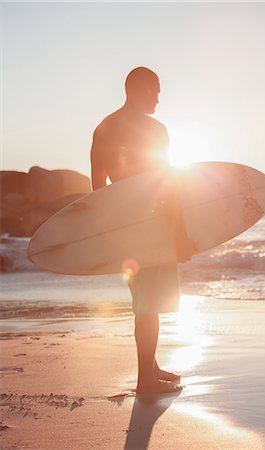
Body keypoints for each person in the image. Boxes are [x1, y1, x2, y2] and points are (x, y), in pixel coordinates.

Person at [90, 67, 194, 394]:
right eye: (155, 90)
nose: (159, 98)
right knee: (149, 305)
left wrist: (110, 232)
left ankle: (150, 367)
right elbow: (168, 184)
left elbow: (98, 189)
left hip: (125, 227)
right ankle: (146, 381)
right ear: (138, 88)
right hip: (154, 224)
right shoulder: (156, 130)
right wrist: (179, 233)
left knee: (145, 302)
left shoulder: (103, 128)